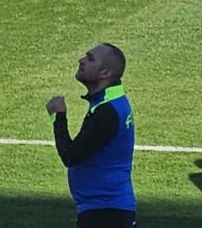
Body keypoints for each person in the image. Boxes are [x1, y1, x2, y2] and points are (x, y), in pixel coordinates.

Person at [47, 44, 136, 228]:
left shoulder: (106, 112)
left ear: (105, 73)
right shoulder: (111, 101)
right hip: (110, 209)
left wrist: (58, 116)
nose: (81, 60)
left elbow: (71, 156)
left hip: (104, 213)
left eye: (90, 58)